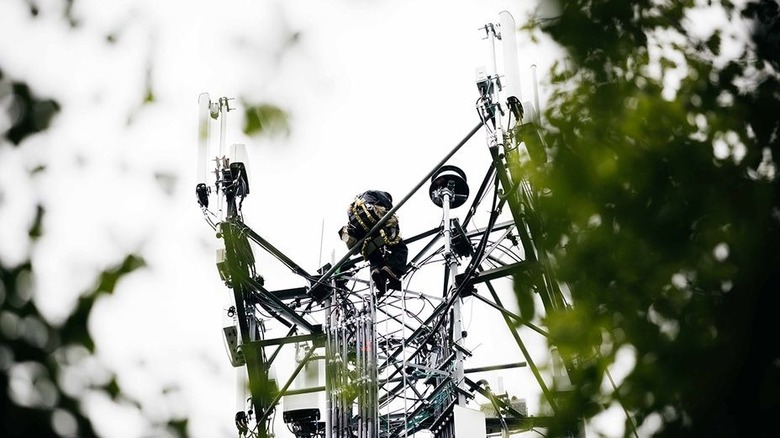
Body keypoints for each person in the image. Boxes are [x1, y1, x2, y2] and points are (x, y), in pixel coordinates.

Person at [338, 190, 408, 298]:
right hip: (372, 219)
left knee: (372, 249)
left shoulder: (355, 204)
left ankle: (377, 269)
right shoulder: (377, 194)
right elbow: (389, 210)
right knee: (400, 248)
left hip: (360, 231)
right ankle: (392, 269)